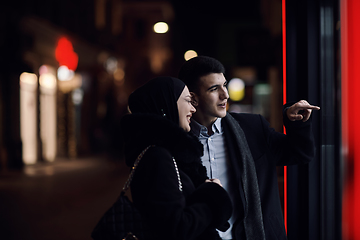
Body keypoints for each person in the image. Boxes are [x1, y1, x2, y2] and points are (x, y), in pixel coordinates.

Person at [178, 56, 320, 240]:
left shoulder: (252, 127)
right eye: (214, 89)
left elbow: (300, 154)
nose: (225, 95)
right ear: (193, 98)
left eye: (224, 85)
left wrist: (296, 123)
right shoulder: (178, 142)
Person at [120, 76, 233, 240]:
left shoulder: (170, 155)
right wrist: (212, 196)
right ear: (166, 106)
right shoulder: (158, 158)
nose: (193, 109)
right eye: (188, 101)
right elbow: (176, 228)